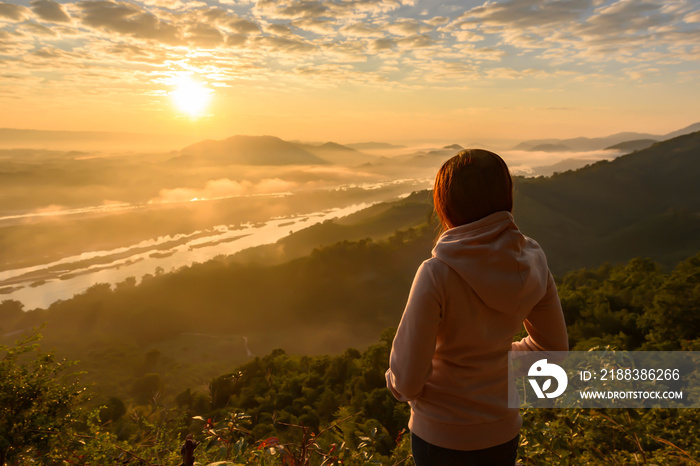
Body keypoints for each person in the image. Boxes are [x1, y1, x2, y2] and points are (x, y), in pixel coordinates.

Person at [385, 149, 568, 465]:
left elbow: (408, 381)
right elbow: (552, 352)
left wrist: (393, 379)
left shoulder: (436, 273)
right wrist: (493, 360)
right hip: (502, 432)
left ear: (446, 204)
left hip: (439, 437)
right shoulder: (534, 261)